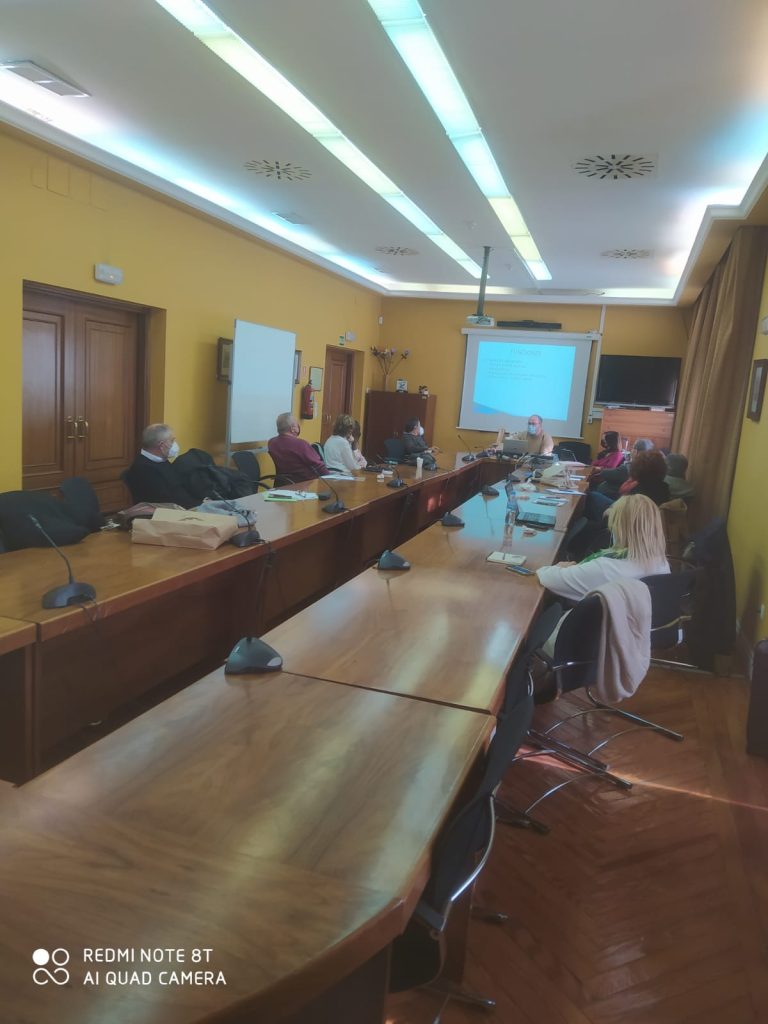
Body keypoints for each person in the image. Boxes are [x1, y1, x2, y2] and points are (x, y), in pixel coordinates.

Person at [537, 493, 670, 604]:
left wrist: (559, 567)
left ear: (618, 528)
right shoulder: (662, 563)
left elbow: (544, 577)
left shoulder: (606, 568)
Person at [123, 423, 198, 508]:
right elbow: (167, 501)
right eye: (172, 441)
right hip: (170, 511)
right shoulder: (144, 469)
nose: (174, 444)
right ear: (162, 445)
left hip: (186, 505)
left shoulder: (161, 460)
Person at [268, 412, 328, 484]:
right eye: (297, 424)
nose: (298, 426)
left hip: (283, 484)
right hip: (306, 484)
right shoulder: (301, 444)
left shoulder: (271, 443)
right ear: (292, 429)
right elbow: (319, 466)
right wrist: (330, 480)